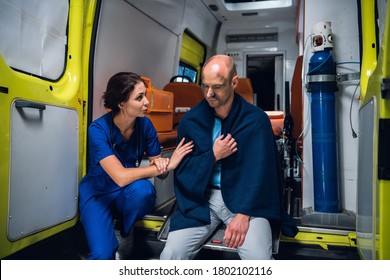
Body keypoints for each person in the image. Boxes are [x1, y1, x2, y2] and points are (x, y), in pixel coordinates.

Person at [160, 55, 297, 260]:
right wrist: (213, 156)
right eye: (205, 86)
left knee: (259, 260)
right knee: (170, 255)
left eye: (217, 86)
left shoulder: (256, 120)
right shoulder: (191, 122)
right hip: (202, 201)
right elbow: (185, 172)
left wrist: (244, 215)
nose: (209, 93)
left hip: (246, 201)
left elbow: (263, 174)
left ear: (234, 83)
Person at [79, 72, 193, 259]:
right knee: (103, 254)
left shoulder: (145, 126)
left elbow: (161, 174)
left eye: (145, 95)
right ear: (121, 104)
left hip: (126, 192)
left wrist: (163, 165)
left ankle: (125, 228)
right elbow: (120, 176)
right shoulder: (98, 129)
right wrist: (166, 166)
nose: (147, 102)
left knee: (145, 191)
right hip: (98, 194)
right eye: (139, 98)